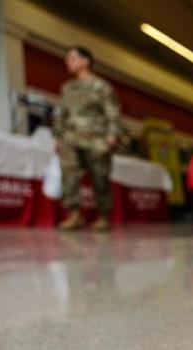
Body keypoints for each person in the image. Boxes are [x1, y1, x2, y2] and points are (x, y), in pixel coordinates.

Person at [53, 46, 122, 231]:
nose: (68, 62)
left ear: (85, 61)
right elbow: (61, 114)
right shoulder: (67, 88)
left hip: (96, 139)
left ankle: (103, 216)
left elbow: (112, 112)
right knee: (69, 175)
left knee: (100, 177)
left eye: (72, 58)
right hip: (71, 137)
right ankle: (74, 215)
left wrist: (112, 135)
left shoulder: (101, 86)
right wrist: (58, 137)